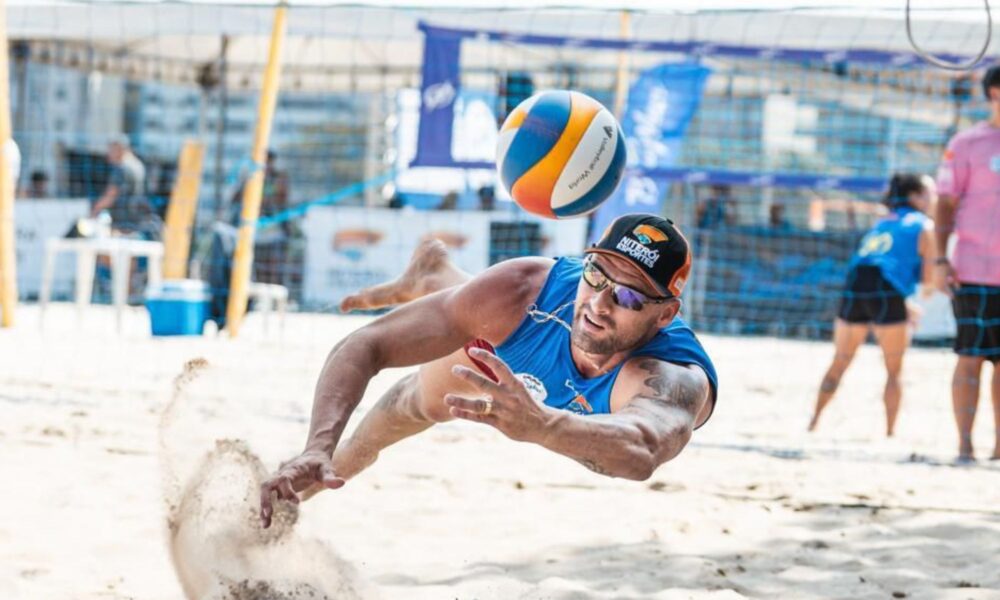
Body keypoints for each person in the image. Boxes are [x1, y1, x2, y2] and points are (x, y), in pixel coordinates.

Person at [259, 213, 718, 527]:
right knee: (411, 406)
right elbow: (365, 343)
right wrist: (317, 446)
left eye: (630, 296)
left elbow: (641, 454)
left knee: (482, 320)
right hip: (523, 340)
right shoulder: (525, 290)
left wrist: (543, 424)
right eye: (595, 274)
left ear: (664, 314)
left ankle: (435, 277)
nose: (600, 303)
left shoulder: (670, 374)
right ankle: (300, 489)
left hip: (553, 395)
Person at [808, 173, 938, 436]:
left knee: (840, 361)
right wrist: (910, 302)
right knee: (894, 369)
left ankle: (813, 423)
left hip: (855, 284)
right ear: (915, 197)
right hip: (886, 291)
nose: (933, 198)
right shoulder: (924, 226)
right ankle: (890, 433)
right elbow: (928, 280)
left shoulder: (882, 222)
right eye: (929, 193)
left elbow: (876, 265)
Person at [935, 65, 1000, 462]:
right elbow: (945, 203)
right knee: (969, 358)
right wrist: (941, 259)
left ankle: (999, 447)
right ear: (995, 92)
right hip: (973, 269)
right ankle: (964, 444)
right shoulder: (967, 143)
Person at [90, 136, 156, 238]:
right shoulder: (138, 165)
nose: (108, 154)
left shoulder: (121, 168)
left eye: (111, 150)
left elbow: (111, 195)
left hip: (122, 222)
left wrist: (95, 210)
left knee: (107, 250)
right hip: (136, 219)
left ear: (120, 149)